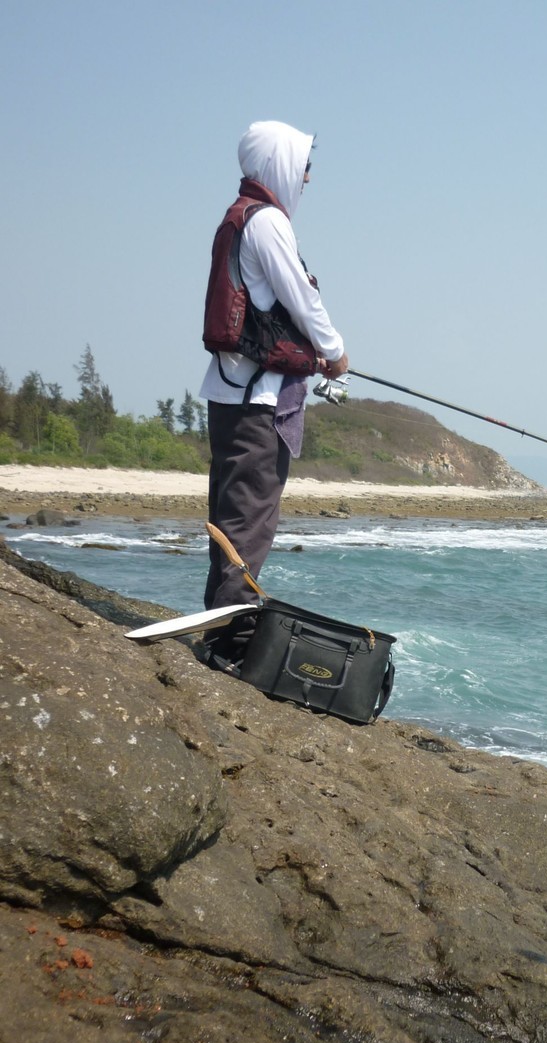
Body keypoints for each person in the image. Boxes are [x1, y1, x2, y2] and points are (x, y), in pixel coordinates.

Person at [199, 120, 349, 670]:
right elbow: (303, 305)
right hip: (255, 401)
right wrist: (336, 353)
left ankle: (220, 625)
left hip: (231, 394)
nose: (307, 176)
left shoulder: (242, 218)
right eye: (303, 163)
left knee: (232, 513)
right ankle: (228, 639)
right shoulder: (267, 225)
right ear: (279, 164)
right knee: (250, 516)